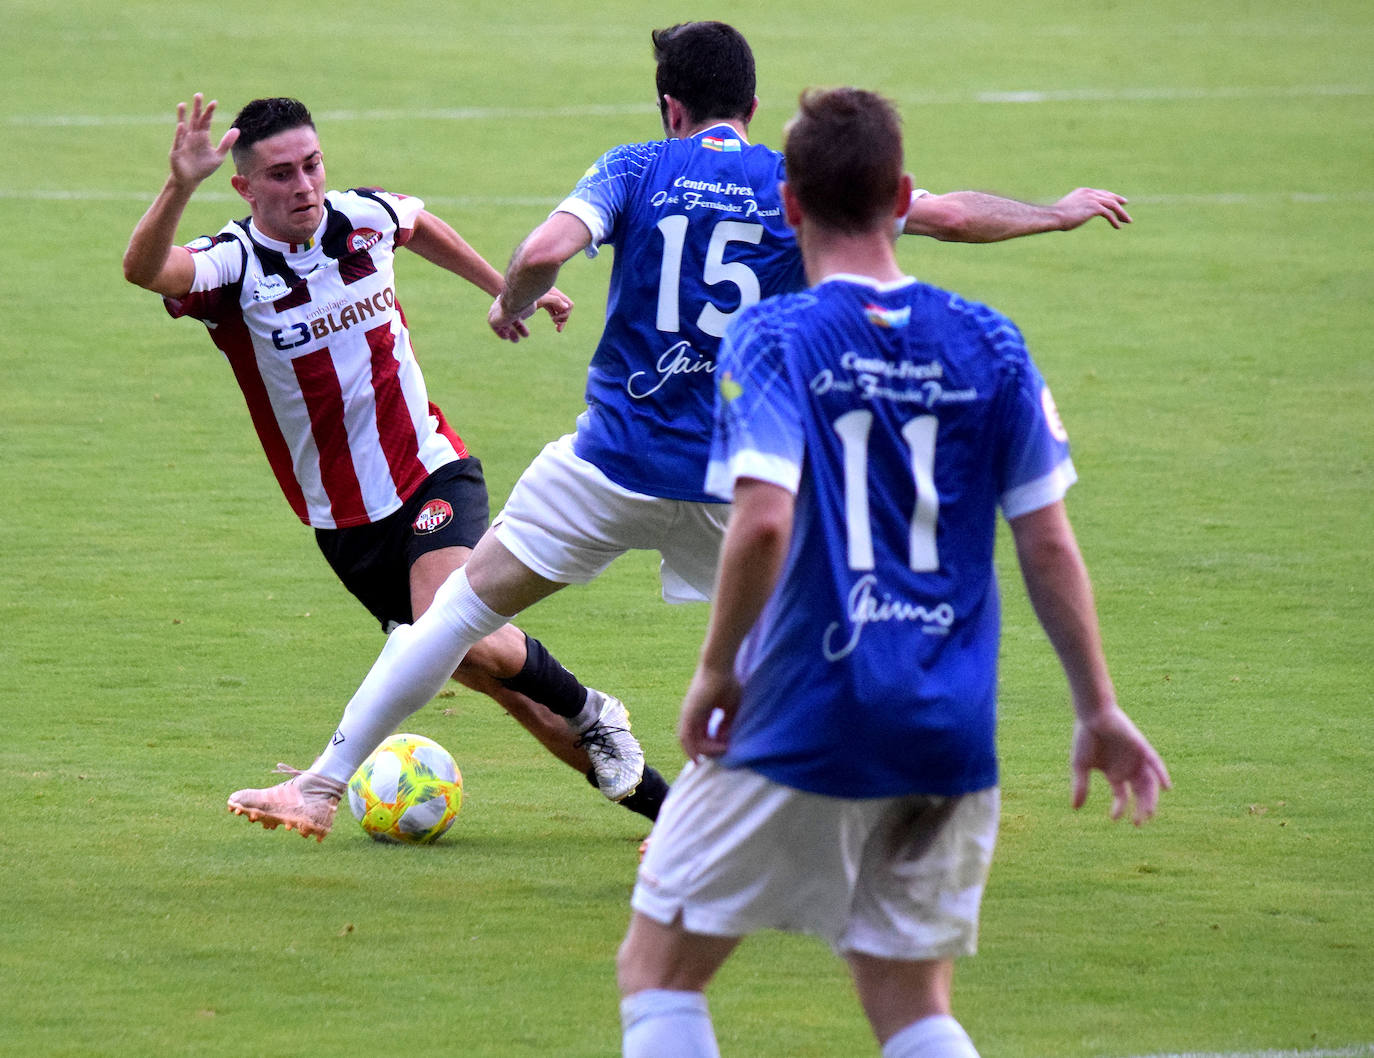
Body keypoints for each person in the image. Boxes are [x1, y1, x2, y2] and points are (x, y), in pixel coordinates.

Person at [291, 22, 1139, 790]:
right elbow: (950, 216)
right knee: (797, 649)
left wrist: (514, 298)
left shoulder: (636, 166)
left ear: (672, 106)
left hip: (610, 465)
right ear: (754, 105)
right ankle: (853, 791)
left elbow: (547, 249)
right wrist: (1055, 215)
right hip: (739, 481)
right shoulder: (788, 184)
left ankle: (322, 784)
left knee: (455, 616)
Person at [613, 86, 1172, 1058]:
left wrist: (716, 671)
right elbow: (1047, 542)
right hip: (948, 731)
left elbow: (761, 523)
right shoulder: (990, 341)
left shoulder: (776, 336)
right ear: (903, 193)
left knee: (658, 971)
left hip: (805, 711)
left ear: (788, 205)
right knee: (910, 1001)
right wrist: (1098, 707)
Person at [121, 94, 668, 841]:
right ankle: (668, 814)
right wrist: (179, 185)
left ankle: (592, 714)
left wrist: (503, 295)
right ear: (244, 187)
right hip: (344, 523)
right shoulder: (233, 267)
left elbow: (417, 223)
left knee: (457, 628)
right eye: (281, 174)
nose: (305, 185)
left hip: (430, 473)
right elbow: (147, 269)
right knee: (494, 676)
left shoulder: (361, 218)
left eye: (312, 164)